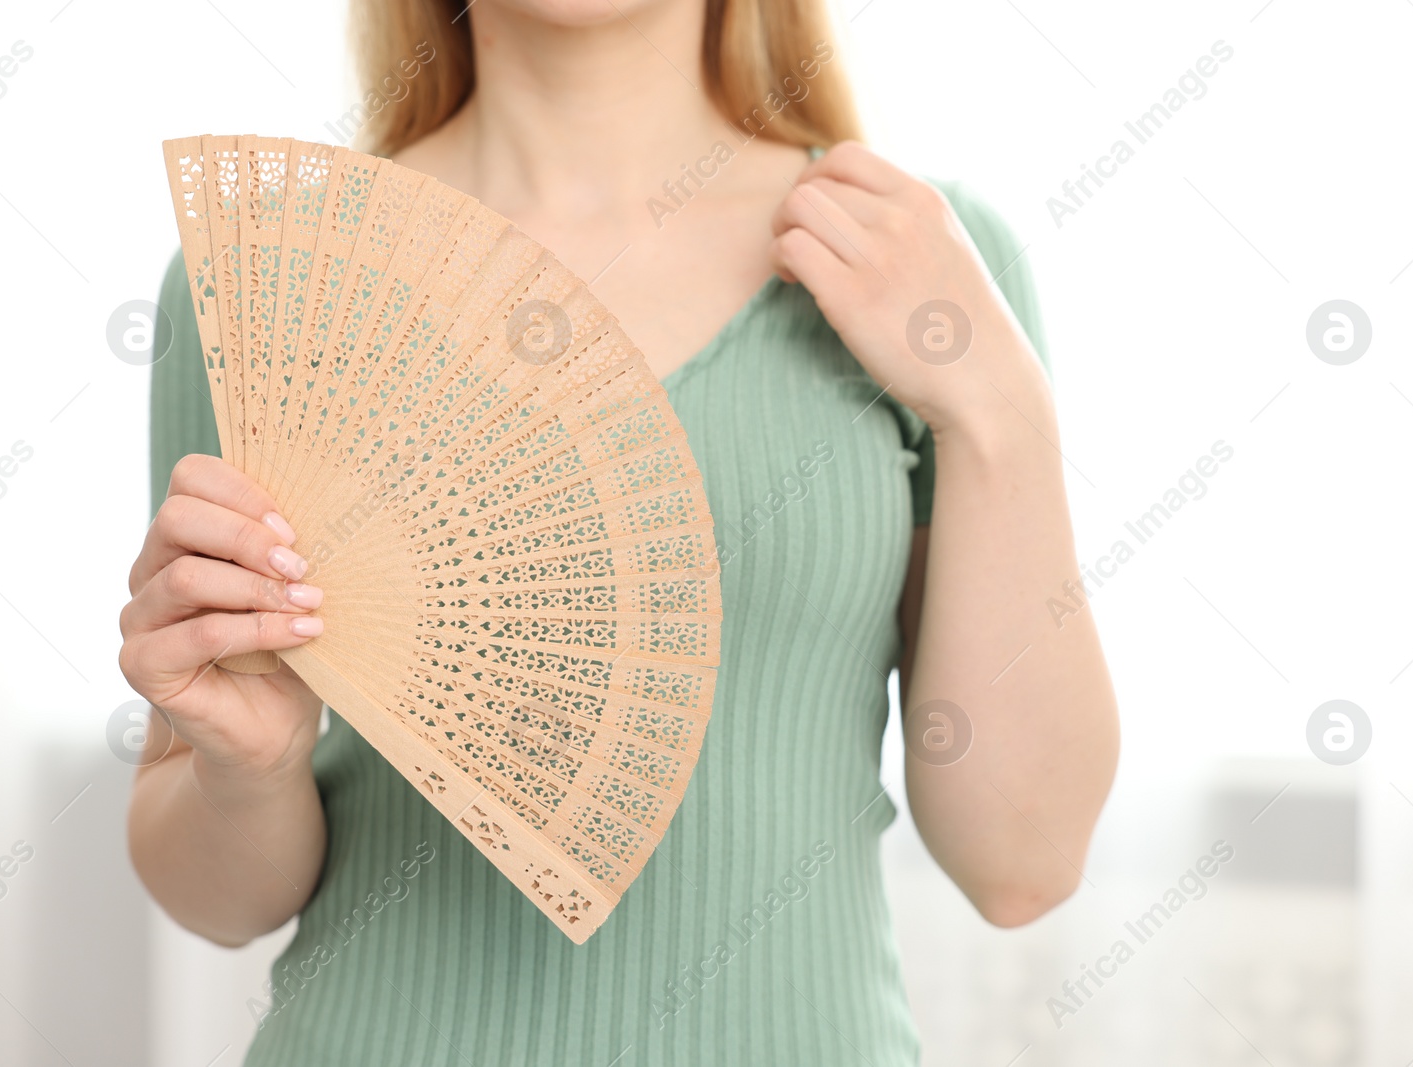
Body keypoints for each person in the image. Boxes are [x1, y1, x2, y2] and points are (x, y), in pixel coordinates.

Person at [119, 1, 1120, 1062]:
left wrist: (999, 412)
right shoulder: (277, 276)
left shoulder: (917, 259)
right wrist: (252, 769)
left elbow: (1023, 862)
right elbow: (218, 900)